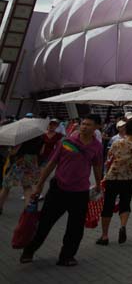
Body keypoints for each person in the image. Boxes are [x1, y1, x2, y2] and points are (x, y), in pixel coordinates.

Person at [20, 113, 104, 267]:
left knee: (76, 228)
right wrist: (39, 185)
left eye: (88, 124)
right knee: (45, 223)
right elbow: (51, 164)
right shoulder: (66, 141)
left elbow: (97, 166)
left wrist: (99, 184)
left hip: (80, 192)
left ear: (97, 127)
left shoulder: (97, 146)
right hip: (59, 189)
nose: (84, 126)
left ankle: (67, 256)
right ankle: (29, 250)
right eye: (83, 123)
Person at [97, 117, 132, 245]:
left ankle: (104, 236)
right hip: (130, 177)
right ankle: (122, 226)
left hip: (114, 177)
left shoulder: (118, 143)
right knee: (125, 203)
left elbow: (109, 158)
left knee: (108, 205)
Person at [0, 131, 43, 215]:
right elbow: (41, 152)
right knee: (27, 187)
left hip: (21, 161)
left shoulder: (23, 138)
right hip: (33, 161)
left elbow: (14, 152)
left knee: (6, 185)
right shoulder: (40, 138)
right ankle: (27, 211)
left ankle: (0, 206)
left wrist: (10, 150)